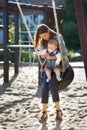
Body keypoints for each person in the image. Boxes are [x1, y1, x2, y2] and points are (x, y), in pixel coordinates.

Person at [34, 24, 69, 123]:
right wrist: (42, 54)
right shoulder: (42, 41)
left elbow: (65, 53)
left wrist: (52, 57)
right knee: (45, 87)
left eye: (44, 36)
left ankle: (59, 111)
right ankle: (44, 113)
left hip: (59, 66)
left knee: (53, 85)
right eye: (41, 37)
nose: (43, 38)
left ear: (48, 31)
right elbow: (42, 56)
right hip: (48, 67)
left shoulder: (58, 37)